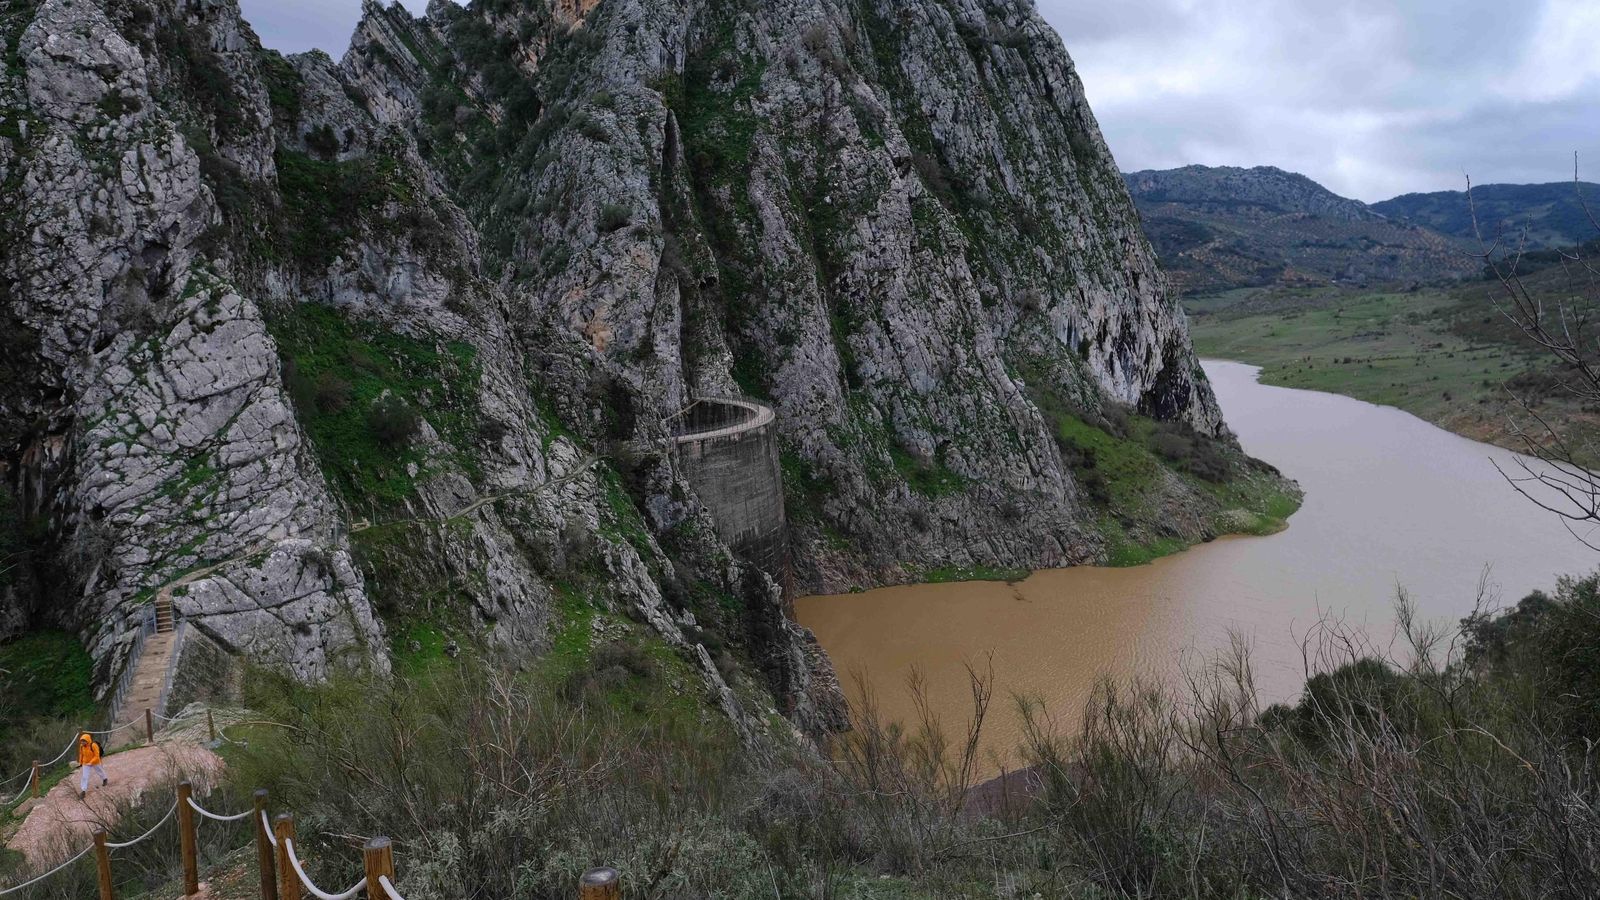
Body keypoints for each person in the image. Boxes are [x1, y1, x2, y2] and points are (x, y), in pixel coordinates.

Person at [77, 732, 107, 799]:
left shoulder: (93, 745)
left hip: (95, 761)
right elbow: (81, 754)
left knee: (99, 771)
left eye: (83, 741)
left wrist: (91, 762)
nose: (82, 743)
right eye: (81, 741)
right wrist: (80, 762)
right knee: (85, 776)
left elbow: (97, 755)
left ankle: (104, 779)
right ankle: (83, 791)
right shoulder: (81, 746)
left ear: (87, 740)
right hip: (85, 763)